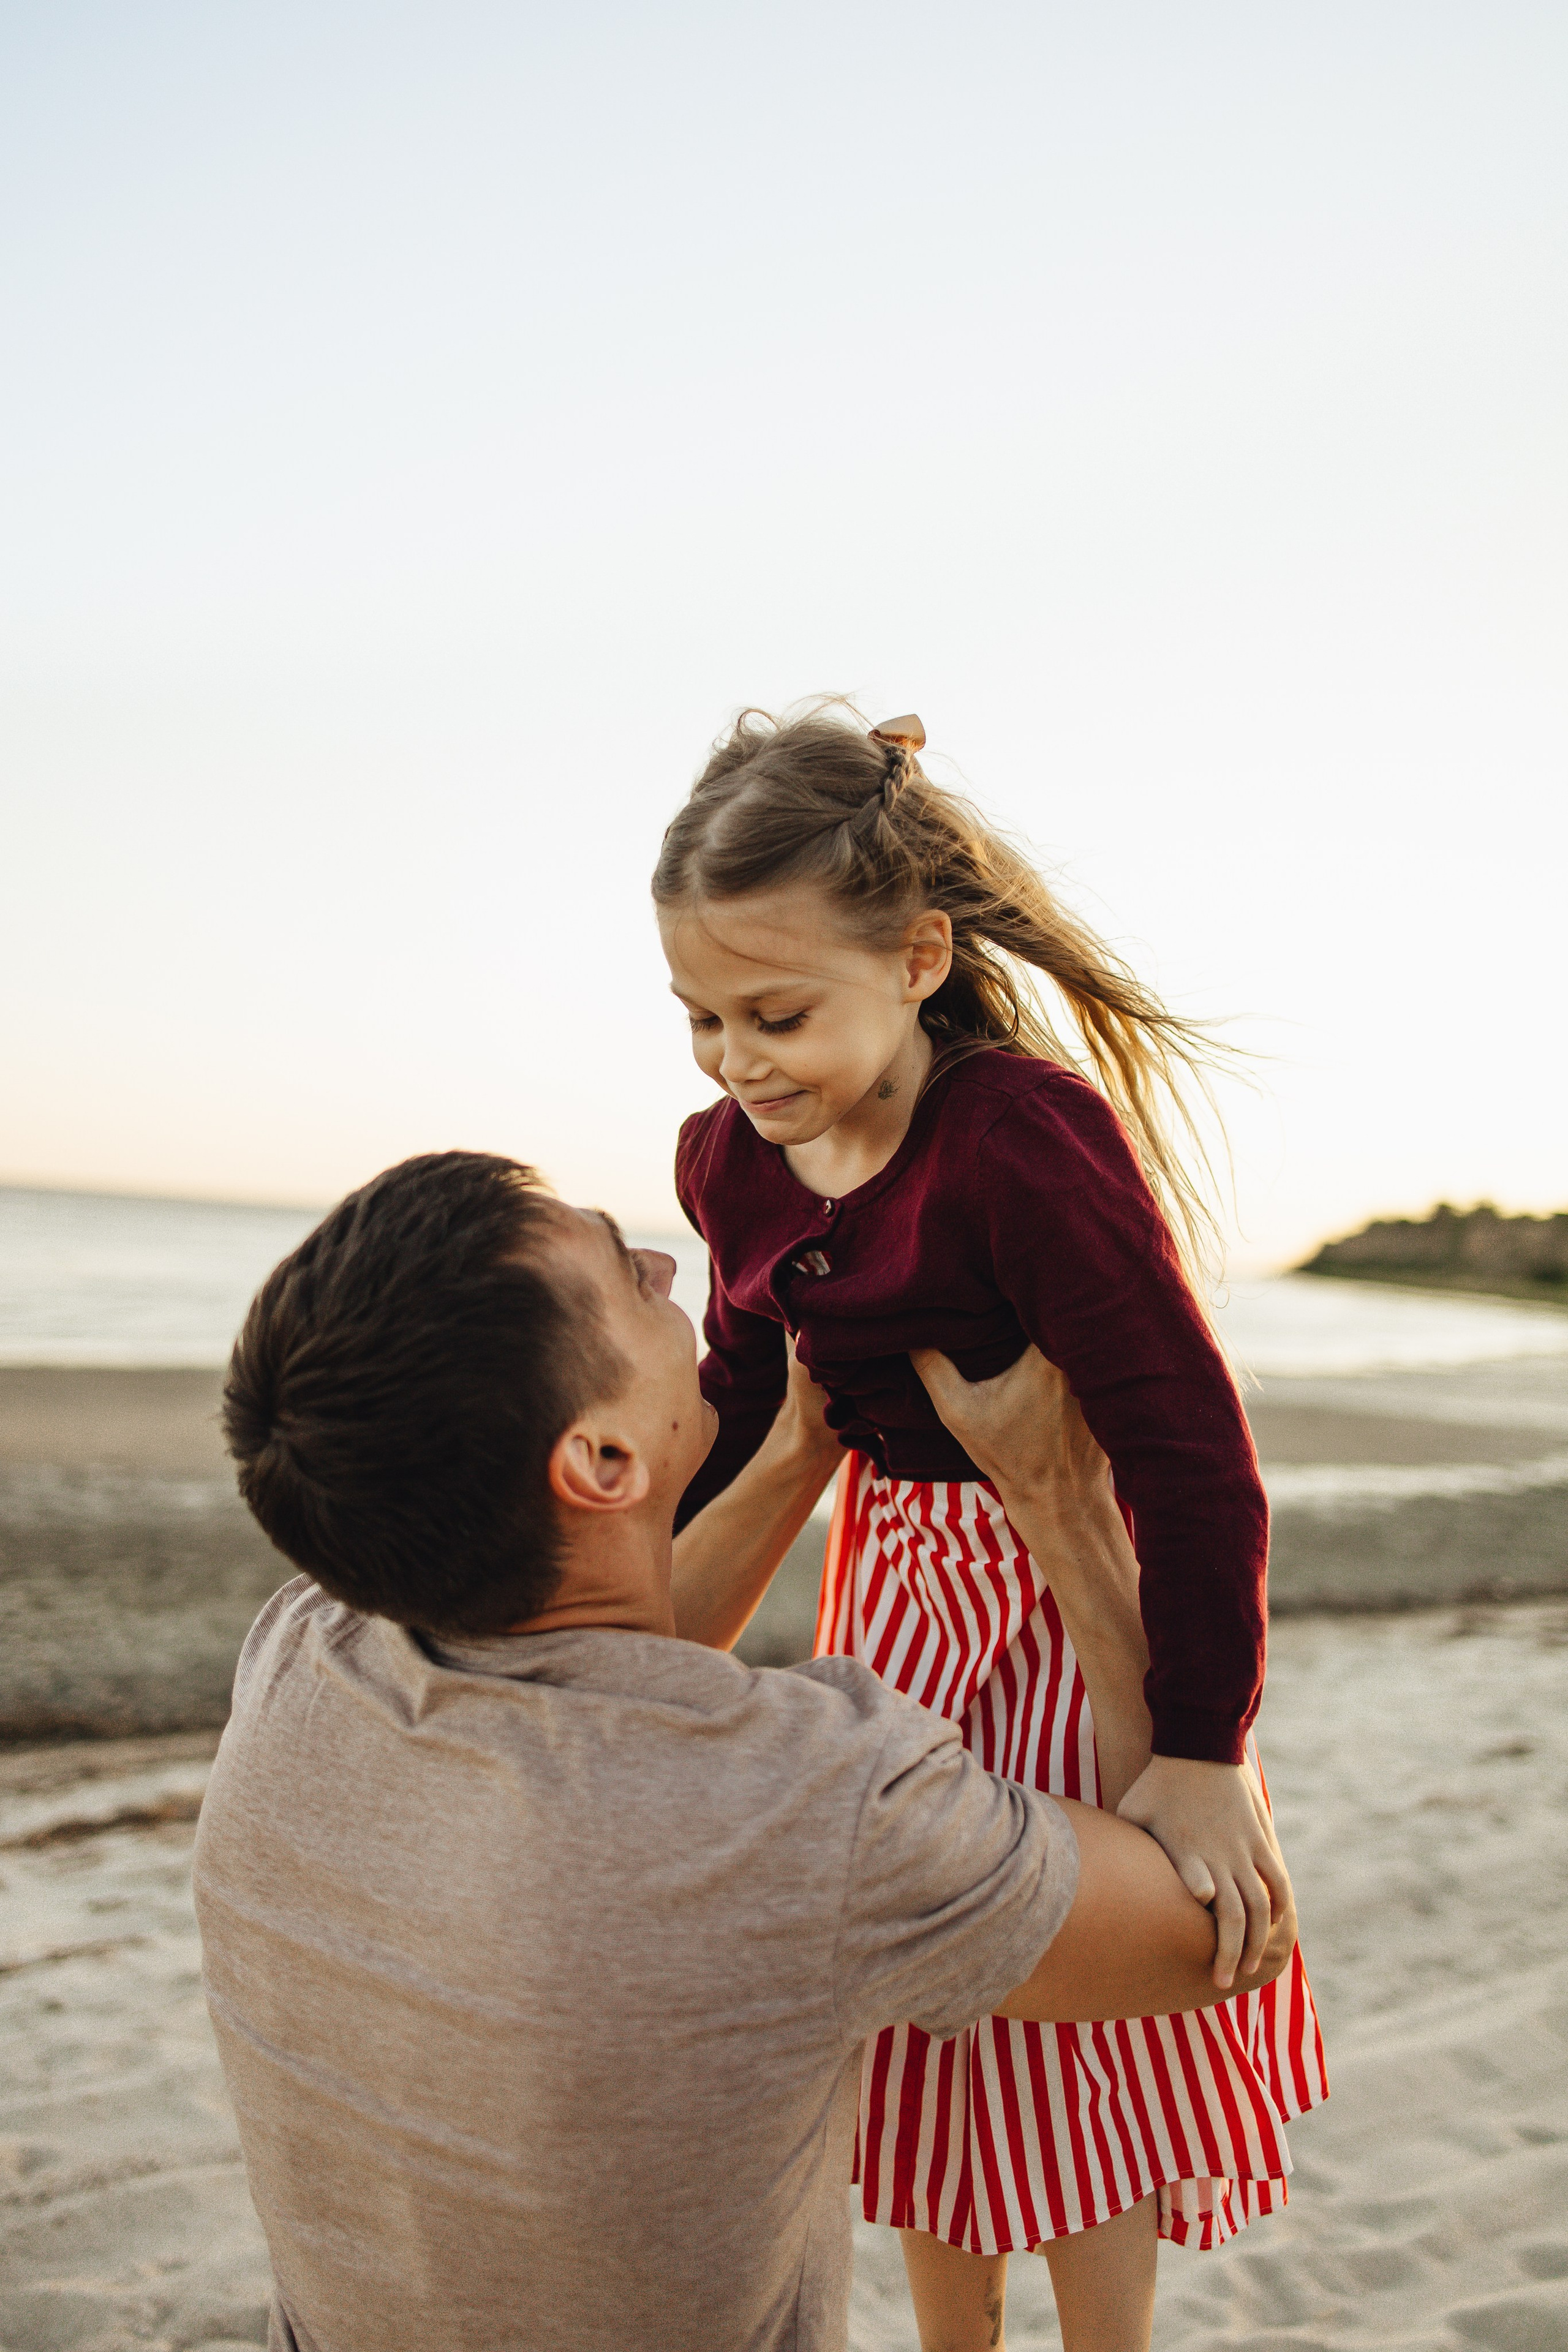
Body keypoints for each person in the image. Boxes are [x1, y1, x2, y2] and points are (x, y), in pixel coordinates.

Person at [194, 1150, 1297, 2352]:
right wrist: (1062, 1502)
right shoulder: (798, 1803)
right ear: (600, 1462)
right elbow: (1211, 1937)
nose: (673, 1263)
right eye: (628, 1270)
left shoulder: (303, 1651)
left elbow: (603, 1659)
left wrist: (792, 1451)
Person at [654, 704, 1329, 2352]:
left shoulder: (1021, 1135)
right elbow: (735, 1412)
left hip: (1053, 1591)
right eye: (699, 1017)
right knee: (915, 2013)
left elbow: (1190, 1449)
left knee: (1073, 2019)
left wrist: (1197, 1740)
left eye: (778, 1010)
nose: (739, 1060)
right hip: (888, 1597)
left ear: (919, 956)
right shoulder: (727, 1163)